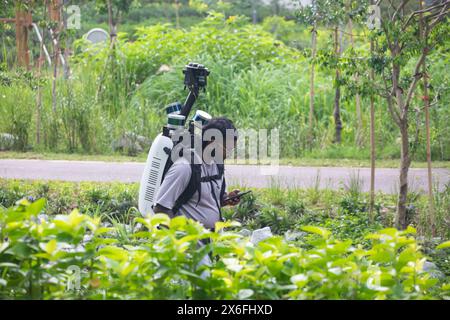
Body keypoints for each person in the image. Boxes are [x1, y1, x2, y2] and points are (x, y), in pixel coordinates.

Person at [153, 117, 241, 231]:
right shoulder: (184, 167)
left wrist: (227, 199)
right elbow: (161, 208)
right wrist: (176, 240)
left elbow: (208, 201)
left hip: (212, 243)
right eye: (227, 148)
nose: (228, 154)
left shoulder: (217, 165)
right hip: (189, 246)